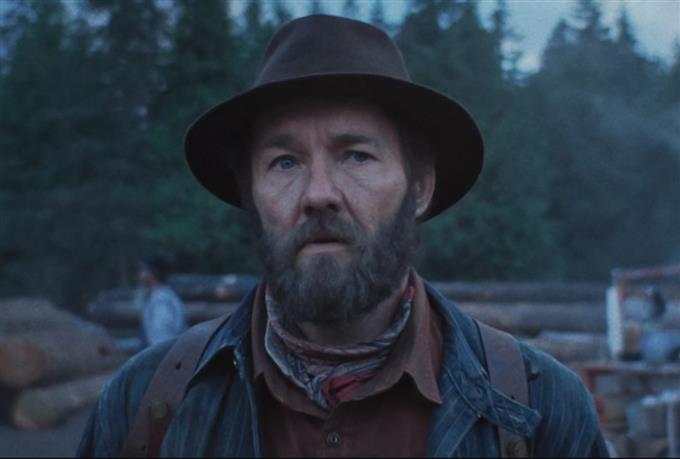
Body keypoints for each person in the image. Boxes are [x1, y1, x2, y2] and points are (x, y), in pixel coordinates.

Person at [77, 15, 609, 457]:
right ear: (252, 196)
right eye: (285, 162)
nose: (318, 194)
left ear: (419, 188)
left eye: (356, 155)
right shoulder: (146, 402)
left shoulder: (539, 408)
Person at [135, 256, 188, 348]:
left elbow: (162, 339)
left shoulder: (162, 300)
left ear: (151, 273)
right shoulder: (158, 297)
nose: (139, 274)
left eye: (143, 270)